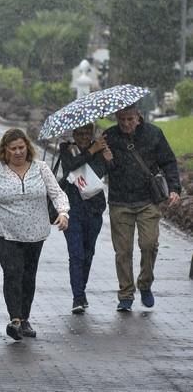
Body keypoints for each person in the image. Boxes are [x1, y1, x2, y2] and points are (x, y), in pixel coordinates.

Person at [0, 128, 69, 340]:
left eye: (21, 147)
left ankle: (25, 319)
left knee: (28, 276)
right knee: (13, 272)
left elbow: (56, 192)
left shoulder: (41, 168)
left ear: (28, 147)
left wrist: (63, 212)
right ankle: (14, 319)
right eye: (13, 148)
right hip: (5, 233)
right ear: (5, 150)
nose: (17, 152)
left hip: (35, 233)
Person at [103, 105, 181, 312]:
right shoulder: (109, 136)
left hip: (148, 200)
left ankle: (145, 284)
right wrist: (107, 160)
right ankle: (126, 293)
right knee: (123, 251)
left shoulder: (154, 134)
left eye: (130, 119)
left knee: (149, 244)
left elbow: (169, 162)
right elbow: (102, 170)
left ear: (139, 116)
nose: (126, 124)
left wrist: (174, 188)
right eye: (121, 120)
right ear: (116, 118)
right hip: (120, 201)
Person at [59, 124, 111, 314]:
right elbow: (71, 166)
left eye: (87, 133)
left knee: (88, 254)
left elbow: (99, 174)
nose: (83, 137)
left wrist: (106, 157)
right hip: (71, 209)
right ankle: (78, 297)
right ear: (73, 134)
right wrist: (91, 150)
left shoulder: (99, 148)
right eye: (79, 133)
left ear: (92, 133)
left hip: (94, 210)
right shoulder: (66, 149)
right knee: (76, 254)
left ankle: (81, 289)